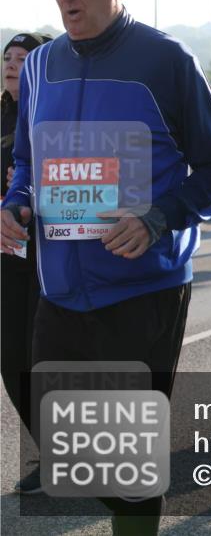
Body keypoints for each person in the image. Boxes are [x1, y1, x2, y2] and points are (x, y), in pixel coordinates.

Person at [0, 0, 211, 534]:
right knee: (75, 449)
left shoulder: (165, 59)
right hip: (57, 293)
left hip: (142, 289)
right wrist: (17, 201)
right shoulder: (41, 66)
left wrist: (159, 219)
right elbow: (27, 161)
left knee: (123, 465)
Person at [1, 32, 52, 495]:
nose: (13, 64)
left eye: (24, 58)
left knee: (47, 358)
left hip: (50, 256)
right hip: (6, 258)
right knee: (10, 359)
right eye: (8, 58)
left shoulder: (49, 114)